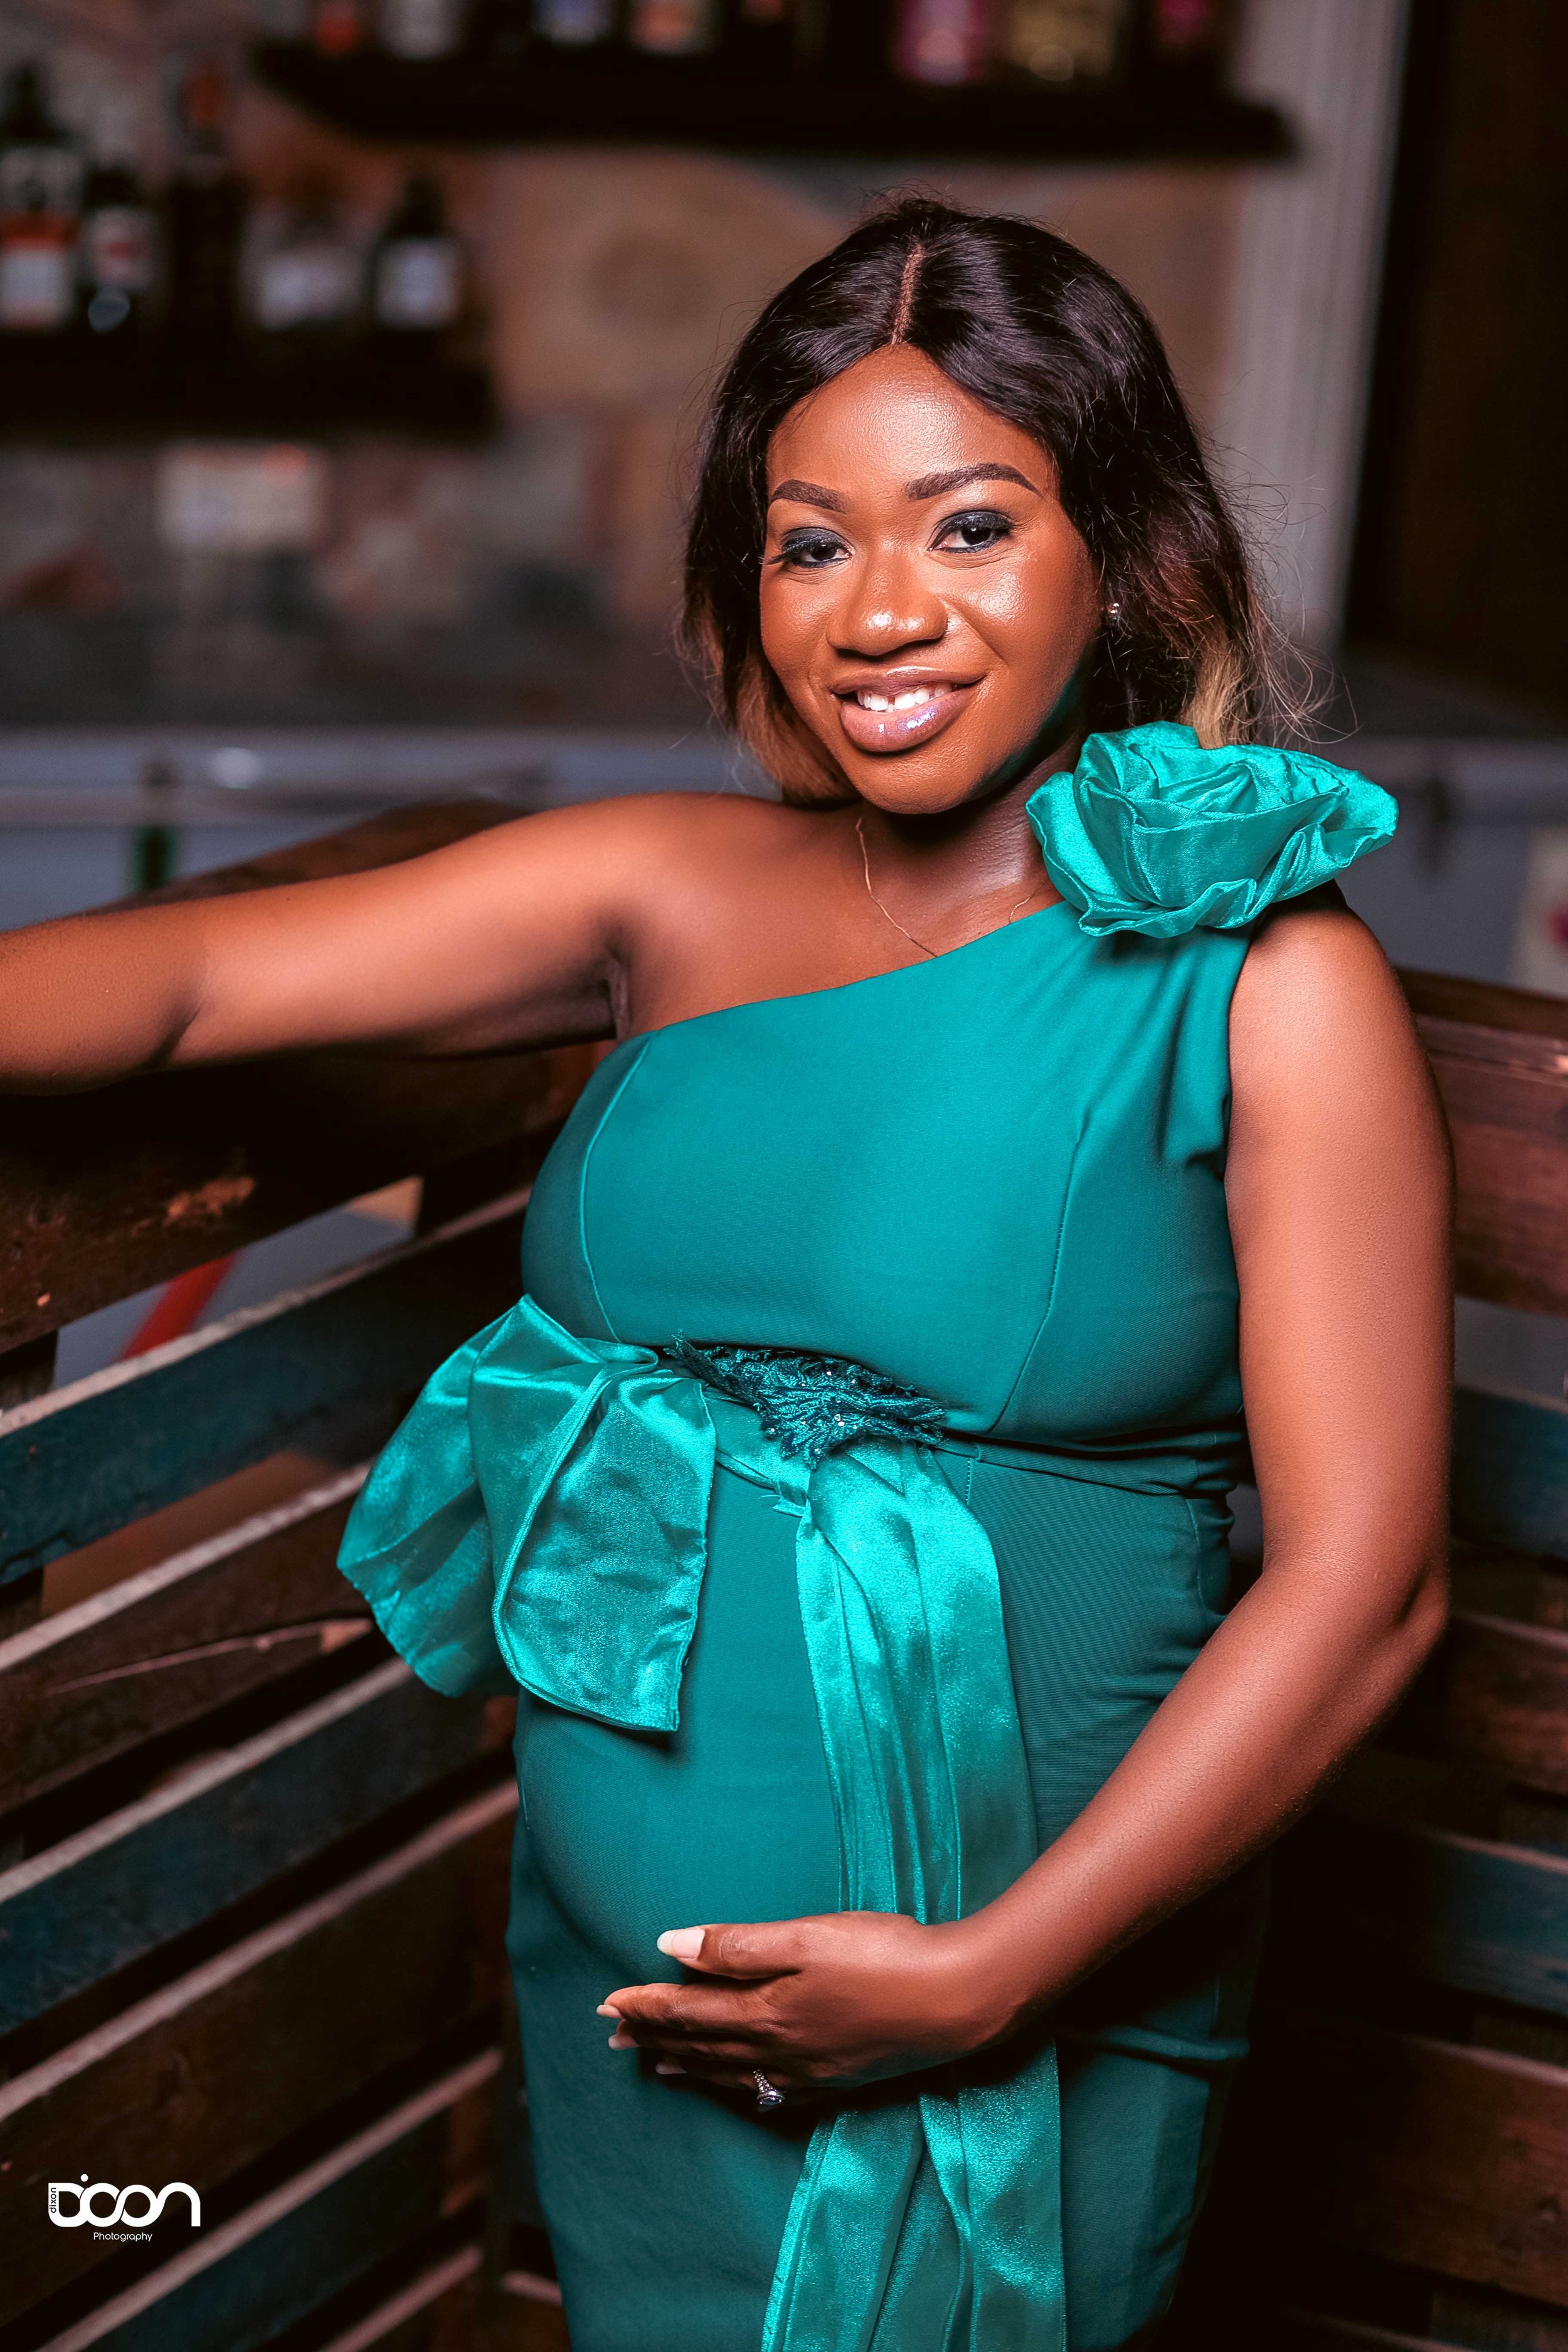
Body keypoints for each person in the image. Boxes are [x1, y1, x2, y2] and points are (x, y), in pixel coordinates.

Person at [0, 200, 1449, 2351]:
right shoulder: (663, 886)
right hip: (630, 1994)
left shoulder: (1257, 982)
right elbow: (195, 984)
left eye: (967, 529)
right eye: (807, 543)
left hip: (1016, 1984)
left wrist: (991, 1973)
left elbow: (1368, 1586)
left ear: (1117, 556)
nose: (881, 613)